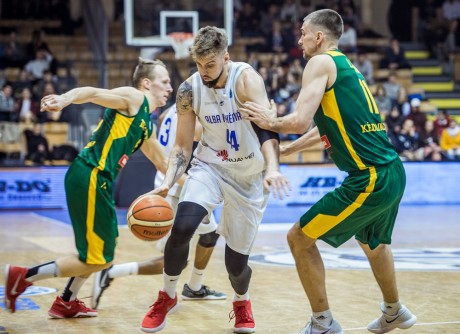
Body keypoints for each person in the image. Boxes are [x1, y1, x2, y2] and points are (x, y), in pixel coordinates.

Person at [241, 9, 416, 334]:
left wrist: (268, 122)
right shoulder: (345, 66)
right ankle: (395, 312)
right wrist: (286, 150)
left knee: (298, 238)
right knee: (374, 244)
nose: (300, 40)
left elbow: (299, 121)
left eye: (303, 33)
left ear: (318, 37)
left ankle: (323, 322)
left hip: (370, 177)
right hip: (391, 171)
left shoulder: (319, 63)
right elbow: (326, 126)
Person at [141, 26, 290, 333]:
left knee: (235, 265)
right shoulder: (188, 90)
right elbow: (183, 146)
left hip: (249, 175)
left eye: (210, 65)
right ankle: (167, 295)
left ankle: (241, 301)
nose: (204, 71)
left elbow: (267, 129)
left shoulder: (246, 79)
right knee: (182, 227)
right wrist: (169, 181)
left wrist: (273, 168)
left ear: (226, 57)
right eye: (198, 65)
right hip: (210, 167)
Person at [4, 58, 175, 318]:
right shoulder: (133, 98)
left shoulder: (146, 125)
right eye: (165, 82)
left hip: (98, 181)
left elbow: (164, 164)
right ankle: (22, 277)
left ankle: (66, 302)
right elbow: (93, 93)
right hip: (91, 175)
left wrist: (204, 187)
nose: (170, 88)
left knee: (101, 252)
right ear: (146, 83)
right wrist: (64, 98)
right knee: (98, 259)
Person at [91, 103, 226, 310]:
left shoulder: (174, 107)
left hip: (172, 179)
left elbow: (162, 118)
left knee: (209, 235)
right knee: (175, 259)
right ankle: (111, 272)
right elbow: (202, 134)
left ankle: (194, 287)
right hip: (179, 185)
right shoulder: (199, 109)